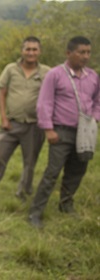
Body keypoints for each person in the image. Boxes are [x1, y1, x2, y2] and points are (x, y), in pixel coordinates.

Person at [28, 36, 100, 228]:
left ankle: (66, 204)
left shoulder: (93, 76)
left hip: (85, 133)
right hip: (61, 132)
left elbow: (97, 101)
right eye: (81, 52)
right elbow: (44, 102)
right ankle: (36, 212)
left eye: (88, 52)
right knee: (52, 172)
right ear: (69, 53)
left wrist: (95, 117)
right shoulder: (55, 74)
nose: (85, 56)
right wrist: (48, 129)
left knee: (78, 170)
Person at [0, 36, 50, 202]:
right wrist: (3, 118)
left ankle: (23, 192)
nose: (31, 53)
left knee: (30, 162)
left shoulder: (47, 72)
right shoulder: (10, 69)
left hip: (34, 126)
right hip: (11, 123)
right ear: (22, 51)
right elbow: (2, 93)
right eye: (27, 49)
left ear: (39, 52)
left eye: (34, 49)